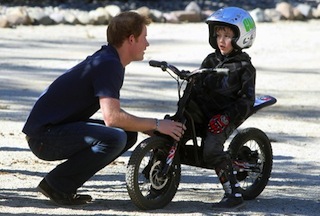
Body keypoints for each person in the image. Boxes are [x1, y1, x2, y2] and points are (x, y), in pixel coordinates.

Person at [22, 11, 185, 206]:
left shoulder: (109, 59)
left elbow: (113, 115)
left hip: (48, 131)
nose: (147, 44)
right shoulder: (109, 64)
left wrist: (145, 127)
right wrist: (157, 124)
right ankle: (57, 184)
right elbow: (112, 118)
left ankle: (59, 184)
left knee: (127, 134)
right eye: (145, 38)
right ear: (131, 39)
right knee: (116, 136)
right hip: (43, 138)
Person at [191, 7, 256, 209]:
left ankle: (234, 193)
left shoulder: (245, 68)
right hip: (204, 110)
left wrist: (227, 118)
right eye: (218, 34)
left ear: (241, 37)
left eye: (227, 35)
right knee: (175, 126)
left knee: (210, 150)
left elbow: (246, 101)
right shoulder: (211, 59)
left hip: (224, 115)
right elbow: (198, 84)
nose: (221, 40)